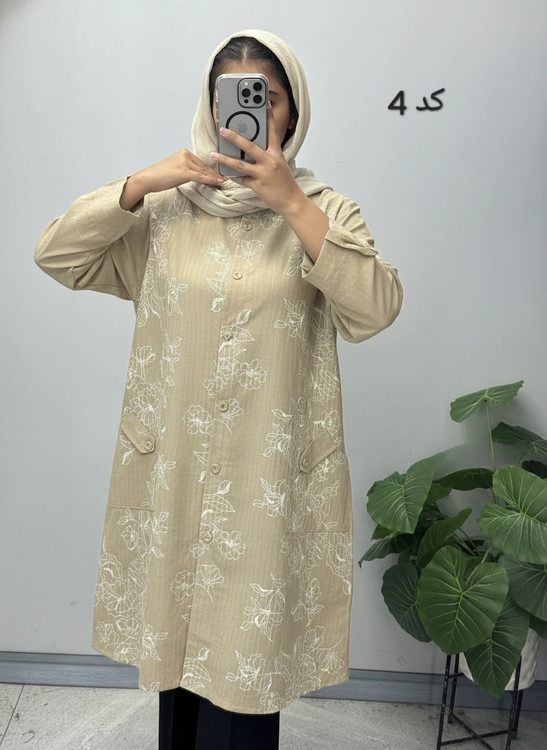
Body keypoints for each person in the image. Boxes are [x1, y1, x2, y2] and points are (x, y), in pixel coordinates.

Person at [35, 28, 403, 750]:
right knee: (175, 662)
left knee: (245, 671)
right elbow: (58, 254)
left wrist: (292, 204)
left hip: (265, 484)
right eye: (229, 96)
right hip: (174, 474)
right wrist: (139, 184)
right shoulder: (166, 212)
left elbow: (375, 309)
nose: (245, 114)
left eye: (265, 97)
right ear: (209, 107)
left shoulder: (326, 210)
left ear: (292, 110)